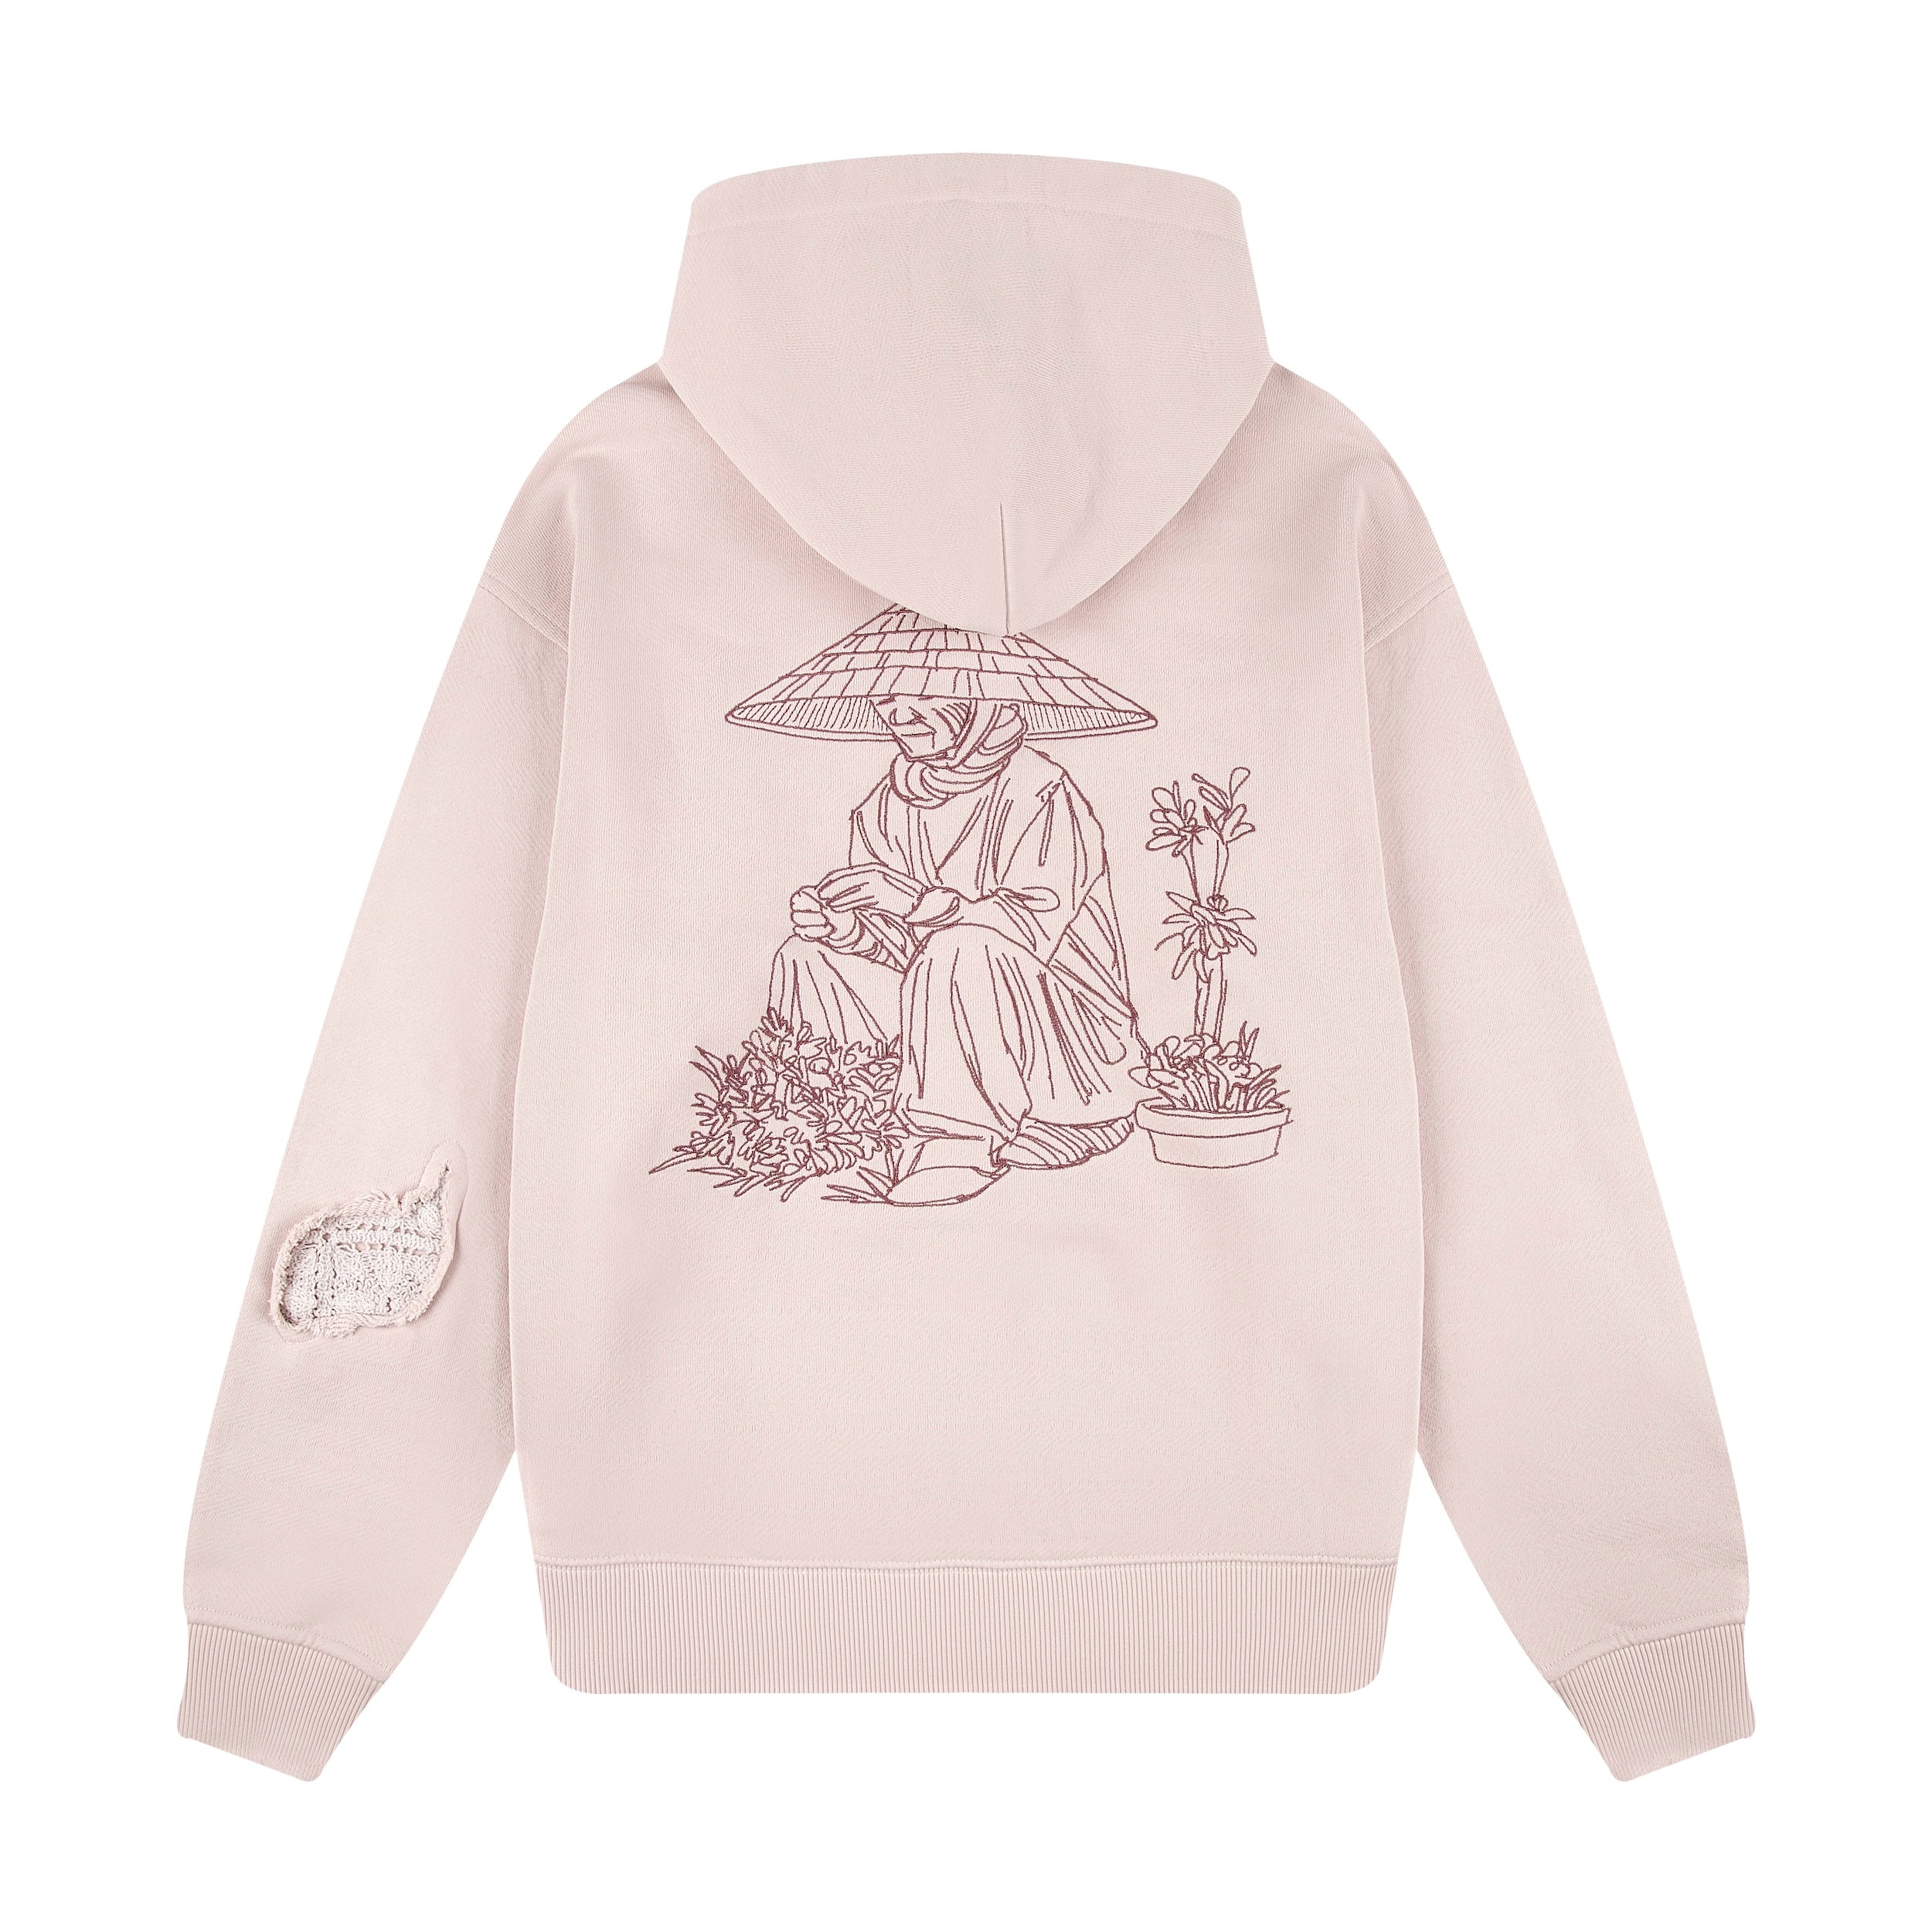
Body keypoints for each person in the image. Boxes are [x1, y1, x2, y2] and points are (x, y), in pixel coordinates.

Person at [770, 694, 1142, 1204]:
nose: (899, 715)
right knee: (807, 955)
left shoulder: (1041, 790)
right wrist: (846, 930)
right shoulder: (886, 804)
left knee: (961, 941)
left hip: (1061, 1029)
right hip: (946, 1006)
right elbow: (910, 955)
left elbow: (1031, 926)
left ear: (978, 701)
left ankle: (957, 1142)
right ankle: (845, 1124)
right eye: (886, 699)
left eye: (922, 697)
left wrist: (918, 901)